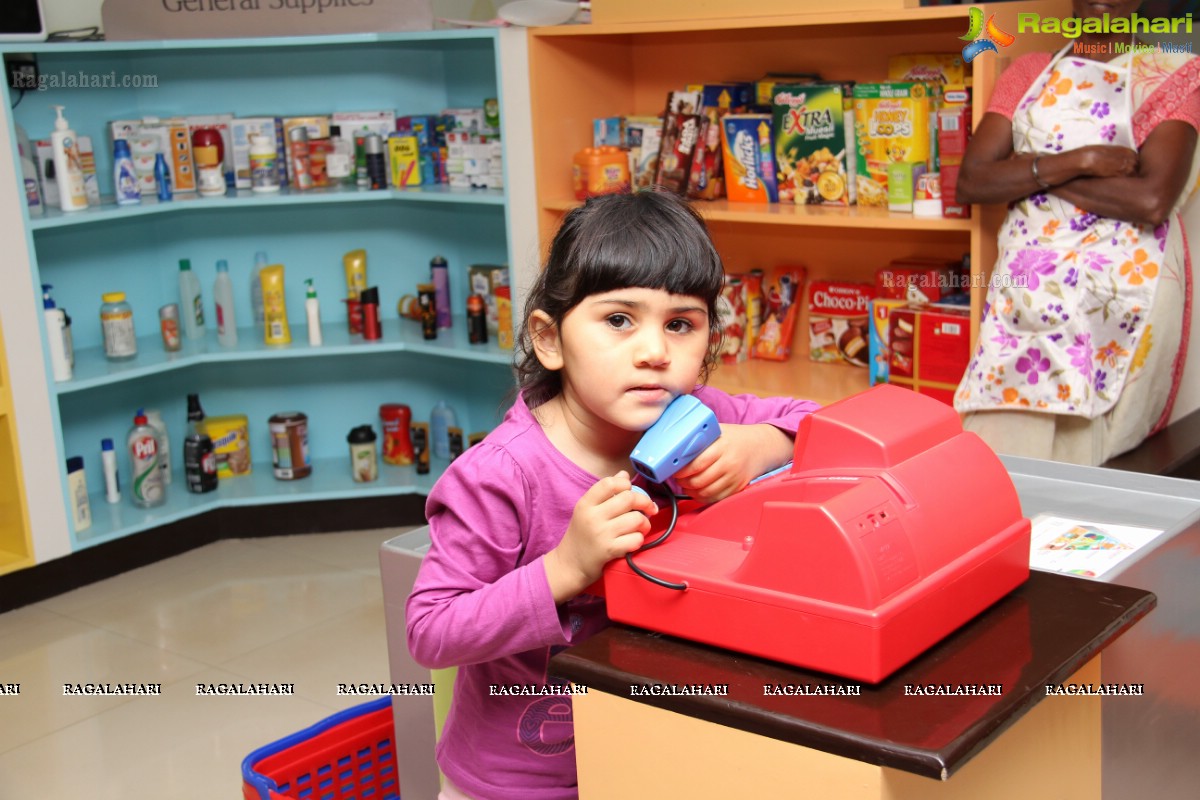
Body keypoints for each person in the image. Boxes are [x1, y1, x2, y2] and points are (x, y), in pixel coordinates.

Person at [406, 190, 819, 800]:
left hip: (651, 756)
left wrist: (761, 442)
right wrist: (564, 568)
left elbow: (817, 419)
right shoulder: (500, 475)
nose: (655, 351)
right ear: (549, 339)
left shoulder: (697, 415)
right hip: (520, 781)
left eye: (680, 324)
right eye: (619, 319)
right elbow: (431, 631)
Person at [953, 0, 1200, 465]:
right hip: (1025, 294)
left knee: (1095, 464)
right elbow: (973, 181)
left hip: (1122, 296)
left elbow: (1150, 200)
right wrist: (1080, 161)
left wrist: (1032, 176)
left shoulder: (1173, 77)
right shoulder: (1028, 72)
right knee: (1004, 442)